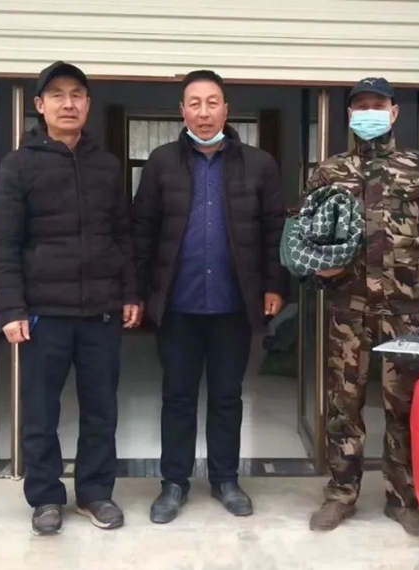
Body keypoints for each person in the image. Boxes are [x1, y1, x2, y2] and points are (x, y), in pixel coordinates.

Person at [305, 77, 419, 536]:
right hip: (348, 307)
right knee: (344, 404)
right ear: (349, 115)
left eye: (378, 105)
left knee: (405, 405)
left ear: (394, 112)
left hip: (405, 309)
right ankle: (341, 494)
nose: (369, 113)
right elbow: (308, 234)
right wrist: (319, 272)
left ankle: (403, 498)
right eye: (361, 106)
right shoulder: (329, 171)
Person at [0, 61, 140, 536]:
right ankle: (46, 497)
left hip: (101, 312)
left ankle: (95, 493)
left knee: (101, 411)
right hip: (42, 313)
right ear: (40, 105)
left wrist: (129, 292)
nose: (68, 103)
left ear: (88, 105)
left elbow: (122, 235)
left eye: (77, 94)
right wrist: (11, 308)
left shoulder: (107, 165)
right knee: (40, 412)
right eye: (57, 95)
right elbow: (3, 242)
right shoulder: (19, 165)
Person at [132, 69, 287, 524]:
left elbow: (274, 230)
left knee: (226, 397)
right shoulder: (161, 162)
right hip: (177, 305)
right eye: (195, 103)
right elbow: (142, 232)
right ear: (182, 111)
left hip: (233, 304)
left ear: (226, 109)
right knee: (177, 397)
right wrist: (137, 294)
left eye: (212, 102)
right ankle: (174, 483)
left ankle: (225, 480)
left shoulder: (259, 164)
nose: (204, 112)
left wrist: (274, 285)